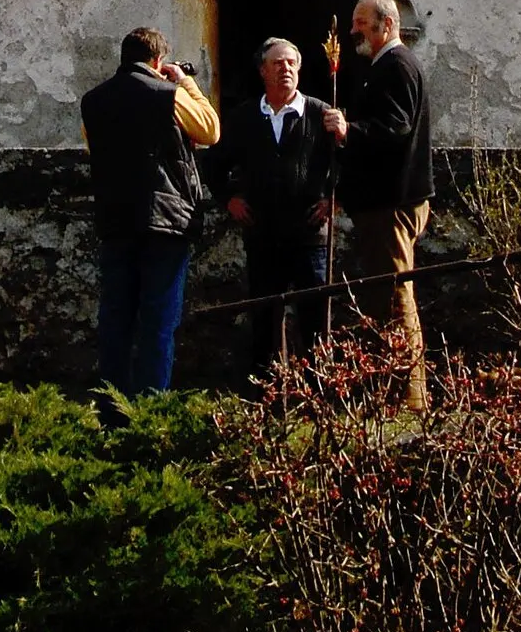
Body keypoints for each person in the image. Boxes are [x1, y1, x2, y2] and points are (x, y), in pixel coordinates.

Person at [79, 26, 220, 391]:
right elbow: (210, 130)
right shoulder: (166, 94)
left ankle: (112, 407)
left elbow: (95, 149)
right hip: (164, 221)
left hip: (114, 219)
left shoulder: (94, 101)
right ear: (158, 61)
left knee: (116, 320)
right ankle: (151, 409)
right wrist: (185, 82)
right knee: (158, 321)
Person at [321, 0, 433, 408]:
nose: (353, 33)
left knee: (394, 293)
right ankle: (394, 388)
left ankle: (407, 397)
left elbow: (396, 128)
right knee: (385, 292)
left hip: (392, 202)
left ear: (387, 24)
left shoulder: (397, 67)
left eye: (361, 24)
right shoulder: (383, 67)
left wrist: (350, 129)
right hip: (385, 200)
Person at [221, 37, 337, 378]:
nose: (285, 69)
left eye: (291, 63)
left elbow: (344, 162)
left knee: (316, 318)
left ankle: (320, 395)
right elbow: (215, 163)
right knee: (265, 319)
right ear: (262, 71)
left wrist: (333, 199)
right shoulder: (244, 117)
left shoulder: (320, 114)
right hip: (263, 234)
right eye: (277, 63)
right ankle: (268, 395)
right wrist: (230, 198)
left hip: (309, 235)